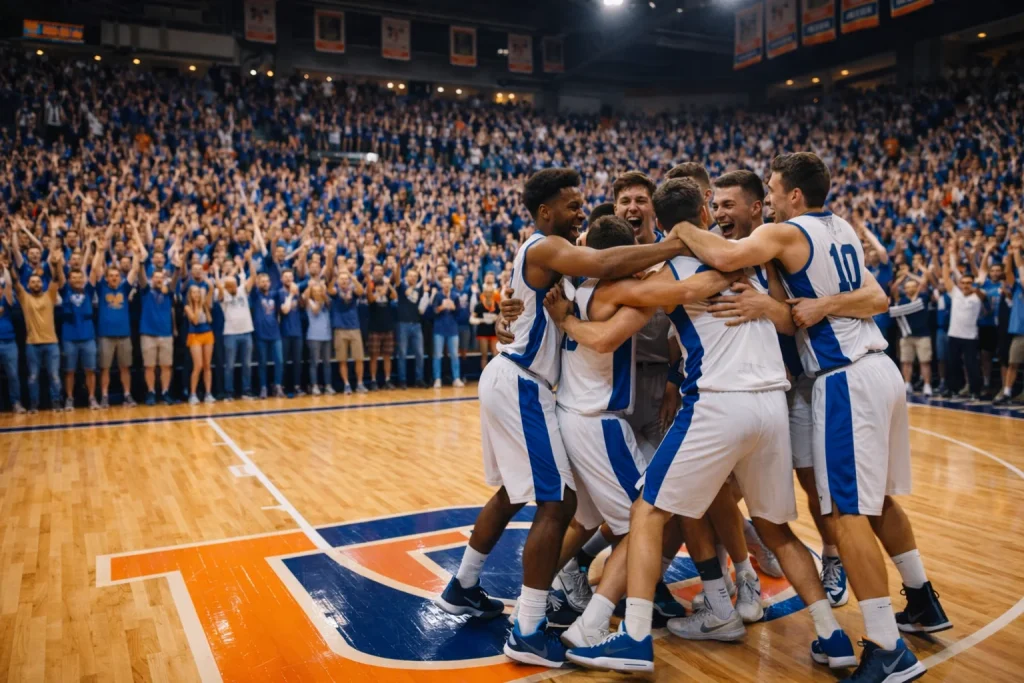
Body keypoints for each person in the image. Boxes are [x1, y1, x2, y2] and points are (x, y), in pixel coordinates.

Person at [669, 153, 949, 682]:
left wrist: (680, 221)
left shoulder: (783, 232)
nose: (771, 197)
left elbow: (726, 254)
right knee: (873, 500)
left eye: (773, 189)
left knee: (847, 514)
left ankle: (887, 648)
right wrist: (821, 305)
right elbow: (875, 296)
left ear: (791, 195)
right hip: (877, 367)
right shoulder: (839, 227)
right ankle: (922, 599)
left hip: (840, 377)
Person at [435, 168, 682, 668]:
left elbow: (570, 279)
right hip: (525, 383)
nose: (579, 213)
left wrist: (513, 315)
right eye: (572, 206)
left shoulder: (556, 265)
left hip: (518, 378)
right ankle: (528, 629)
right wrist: (674, 246)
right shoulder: (546, 246)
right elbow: (606, 258)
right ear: (546, 211)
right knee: (558, 503)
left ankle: (463, 584)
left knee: (514, 492)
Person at [14, 251, 65, 413]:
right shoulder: (24, 298)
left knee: (55, 376)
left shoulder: (50, 295)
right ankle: (34, 405)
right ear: (28, 285)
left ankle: (56, 403)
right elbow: (15, 282)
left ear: (42, 283)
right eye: (32, 282)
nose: (36, 284)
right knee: (33, 377)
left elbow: (56, 279)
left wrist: (56, 264)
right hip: (32, 344)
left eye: (38, 282)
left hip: (51, 343)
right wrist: (8, 268)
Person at [91, 242, 140, 408]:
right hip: (105, 335)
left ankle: (127, 395)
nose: (114, 278)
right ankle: (104, 397)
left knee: (125, 367)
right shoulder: (101, 288)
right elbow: (95, 269)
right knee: (104, 368)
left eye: (116, 275)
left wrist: (136, 254)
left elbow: (134, 271)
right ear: (106, 278)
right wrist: (99, 251)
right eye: (111, 276)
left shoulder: (125, 288)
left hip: (124, 335)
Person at [942, 242, 988, 400]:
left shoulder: (978, 295)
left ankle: (975, 391)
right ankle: (952, 389)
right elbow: (946, 278)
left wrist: (975, 286)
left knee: (972, 365)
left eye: (969, 283)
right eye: (963, 283)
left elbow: (983, 296)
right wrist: (946, 262)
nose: (966, 285)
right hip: (954, 334)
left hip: (970, 336)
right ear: (960, 284)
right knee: (952, 364)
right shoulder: (956, 293)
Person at [889, 269, 935, 396]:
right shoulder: (902, 299)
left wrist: (909, 274)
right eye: (908, 287)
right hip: (906, 335)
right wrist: (901, 277)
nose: (910, 288)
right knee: (906, 361)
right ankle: (907, 384)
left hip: (923, 335)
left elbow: (924, 283)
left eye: (913, 286)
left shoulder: (923, 296)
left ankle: (927, 385)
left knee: (925, 361)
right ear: (905, 288)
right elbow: (893, 289)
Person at [138, 266, 178, 406]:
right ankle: (151, 392)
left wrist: (177, 266)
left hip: (166, 334)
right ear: (151, 279)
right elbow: (141, 277)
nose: (158, 280)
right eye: (156, 277)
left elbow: (175, 280)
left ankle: (165, 392)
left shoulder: (169, 292)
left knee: (166, 366)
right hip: (148, 334)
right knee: (149, 366)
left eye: (161, 278)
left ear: (164, 280)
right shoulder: (146, 291)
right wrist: (140, 262)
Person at [60, 267, 99, 410]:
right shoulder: (65, 291)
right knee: (69, 371)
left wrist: (99, 251)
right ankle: (69, 398)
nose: (77, 280)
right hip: (69, 338)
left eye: (79, 277)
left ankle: (92, 398)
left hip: (88, 337)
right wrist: (58, 262)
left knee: (90, 370)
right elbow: (59, 273)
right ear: (69, 279)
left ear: (83, 279)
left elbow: (94, 272)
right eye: (74, 278)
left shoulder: (88, 291)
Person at [217, 260, 256, 401]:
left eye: (234, 284)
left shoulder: (242, 291)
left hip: (246, 332)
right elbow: (219, 286)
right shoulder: (223, 295)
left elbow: (253, 277)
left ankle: (246, 391)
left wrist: (247, 261)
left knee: (247, 364)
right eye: (230, 285)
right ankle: (229, 392)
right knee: (230, 365)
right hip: (230, 334)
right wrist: (217, 273)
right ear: (226, 287)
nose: (233, 287)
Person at [994, 238, 1023, 404]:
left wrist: (1016, 252)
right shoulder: (1017, 286)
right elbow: (1010, 274)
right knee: (1012, 363)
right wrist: (1011, 256)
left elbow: (1020, 269)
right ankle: (1006, 392)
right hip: (1020, 332)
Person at [329, 270, 367, 394]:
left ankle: (360, 383)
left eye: (346, 279)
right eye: (342, 279)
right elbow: (330, 289)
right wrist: (335, 278)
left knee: (359, 358)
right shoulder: (336, 293)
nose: (344, 281)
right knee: (342, 359)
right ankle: (346, 384)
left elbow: (361, 290)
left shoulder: (353, 292)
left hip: (354, 328)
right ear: (338, 281)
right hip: (340, 329)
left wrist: (353, 278)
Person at [252, 272, 285, 399]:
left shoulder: (274, 294)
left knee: (279, 361)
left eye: (267, 281)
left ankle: (278, 386)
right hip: (261, 334)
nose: (265, 283)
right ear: (258, 283)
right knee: (262, 363)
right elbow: (252, 281)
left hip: (275, 334)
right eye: (262, 281)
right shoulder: (255, 295)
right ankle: (263, 387)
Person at [395, 268, 429, 388]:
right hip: (402, 324)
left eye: (415, 276)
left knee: (420, 353)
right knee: (402, 353)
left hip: (416, 324)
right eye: (411, 276)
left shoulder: (419, 290)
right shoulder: (402, 287)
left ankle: (419, 379)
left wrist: (423, 286)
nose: (413, 278)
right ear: (406, 277)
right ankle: (402, 380)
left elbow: (422, 306)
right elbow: (398, 279)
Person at [183, 282, 216, 405]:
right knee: (198, 366)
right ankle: (193, 394)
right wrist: (197, 305)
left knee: (207, 365)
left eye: (198, 292)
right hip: (194, 336)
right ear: (190, 294)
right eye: (194, 292)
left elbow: (209, 319)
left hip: (207, 334)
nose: (196, 294)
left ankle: (208, 393)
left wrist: (204, 306)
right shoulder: (187, 307)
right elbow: (195, 321)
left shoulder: (204, 305)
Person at [366, 264, 398, 390]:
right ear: (373, 272)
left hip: (387, 326)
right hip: (374, 327)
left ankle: (387, 379)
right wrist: (379, 294)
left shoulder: (387, 286)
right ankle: (373, 380)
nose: (379, 272)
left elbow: (395, 296)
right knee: (373, 356)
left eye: (381, 270)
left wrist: (388, 285)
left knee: (387, 355)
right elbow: (369, 299)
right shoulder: (371, 285)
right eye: (376, 270)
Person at [0, 265, 25, 413]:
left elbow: (9, 285)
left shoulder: (6, 302)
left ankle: (16, 403)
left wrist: (5, 268)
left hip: (9, 342)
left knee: (13, 375)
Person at [431, 276, 463, 388]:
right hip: (439, 329)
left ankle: (456, 378)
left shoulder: (455, 296)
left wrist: (454, 308)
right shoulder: (438, 295)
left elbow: (459, 313)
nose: (447, 285)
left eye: (449, 282)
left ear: (451, 284)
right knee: (437, 355)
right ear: (441, 284)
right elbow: (433, 311)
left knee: (454, 355)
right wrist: (441, 307)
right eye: (444, 283)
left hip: (452, 329)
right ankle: (437, 378)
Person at [303, 280, 334, 395]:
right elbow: (315, 310)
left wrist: (323, 291)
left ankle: (328, 385)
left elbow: (328, 301)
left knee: (327, 362)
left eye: (319, 291)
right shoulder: (309, 301)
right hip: (313, 336)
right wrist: (311, 287)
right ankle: (314, 385)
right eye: (315, 291)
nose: (317, 293)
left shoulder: (326, 302)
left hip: (327, 336)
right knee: (314, 362)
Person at [279, 269, 305, 396]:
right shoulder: (279, 293)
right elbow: (285, 310)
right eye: (286, 277)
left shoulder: (296, 292)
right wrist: (290, 295)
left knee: (297, 361)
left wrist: (298, 294)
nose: (289, 279)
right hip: (284, 332)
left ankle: (297, 385)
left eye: (290, 277)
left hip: (298, 332)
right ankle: (282, 386)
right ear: (281, 279)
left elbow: (302, 306)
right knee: (283, 361)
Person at [471, 278, 500, 371]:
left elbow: (501, 317)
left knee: (495, 354)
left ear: (493, 293)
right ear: (484, 293)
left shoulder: (497, 305)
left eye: (491, 292)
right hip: (482, 332)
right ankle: (484, 374)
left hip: (493, 332)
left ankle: (494, 373)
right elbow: (472, 319)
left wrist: (497, 318)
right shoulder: (479, 305)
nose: (489, 294)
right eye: (487, 292)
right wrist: (482, 320)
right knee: (484, 355)